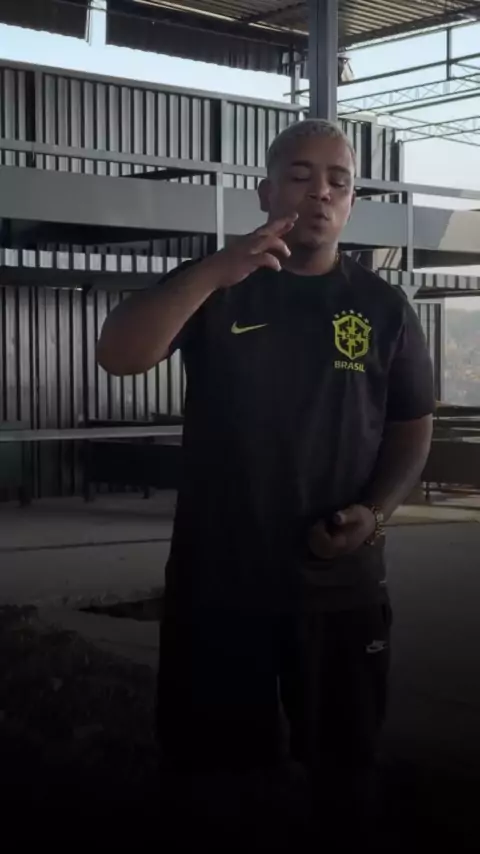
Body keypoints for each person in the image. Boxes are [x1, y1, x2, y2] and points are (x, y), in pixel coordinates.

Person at [97, 120, 434, 845]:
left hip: (340, 590)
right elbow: (120, 355)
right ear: (265, 191)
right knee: (208, 781)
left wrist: (375, 514)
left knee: (346, 775)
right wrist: (218, 270)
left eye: (338, 181)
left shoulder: (383, 308)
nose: (320, 193)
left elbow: (412, 426)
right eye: (300, 176)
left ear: (352, 201)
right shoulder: (217, 288)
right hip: (218, 588)